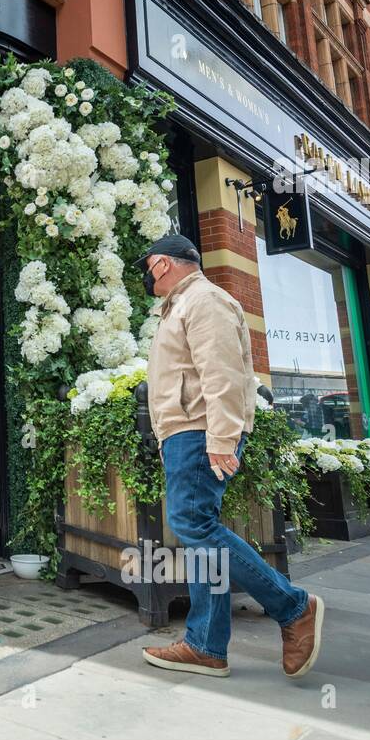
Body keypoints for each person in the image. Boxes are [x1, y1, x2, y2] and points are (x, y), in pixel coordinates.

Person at [137, 234, 325, 679]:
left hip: (199, 433)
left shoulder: (203, 300)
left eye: (147, 268)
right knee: (201, 537)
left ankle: (294, 606)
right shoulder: (184, 304)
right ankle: (206, 645)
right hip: (186, 433)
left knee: (194, 525)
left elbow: (222, 373)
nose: (146, 277)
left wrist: (222, 438)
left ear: (162, 264)